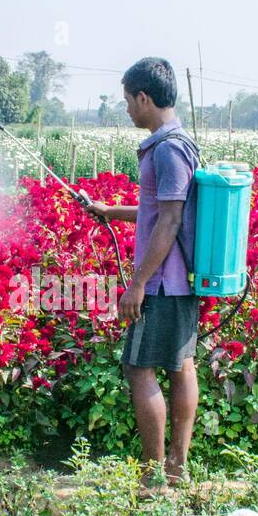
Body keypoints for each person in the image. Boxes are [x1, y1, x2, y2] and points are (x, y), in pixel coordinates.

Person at [85, 57, 201, 488]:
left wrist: (137, 285)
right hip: (178, 281)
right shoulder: (178, 142)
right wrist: (110, 210)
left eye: (129, 102)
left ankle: (156, 477)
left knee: (141, 369)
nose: (128, 111)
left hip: (162, 283)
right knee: (181, 365)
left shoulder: (167, 149)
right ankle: (175, 468)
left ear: (144, 97)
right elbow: (160, 212)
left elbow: (170, 221)